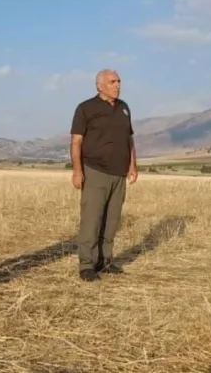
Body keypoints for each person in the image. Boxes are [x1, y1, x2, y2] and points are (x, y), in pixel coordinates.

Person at [69, 69, 138, 282]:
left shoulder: (124, 108)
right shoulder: (86, 108)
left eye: (118, 81)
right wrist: (78, 171)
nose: (117, 85)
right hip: (95, 170)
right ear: (100, 86)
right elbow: (76, 142)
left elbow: (129, 140)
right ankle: (86, 265)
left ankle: (105, 260)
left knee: (112, 220)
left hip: (119, 173)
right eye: (112, 82)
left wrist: (133, 166)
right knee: (92, 219)